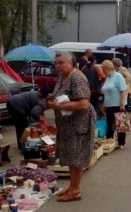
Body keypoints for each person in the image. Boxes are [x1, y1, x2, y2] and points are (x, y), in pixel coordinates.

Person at [46, 51, 96, 202]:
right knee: (70, 155)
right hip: (67, 124)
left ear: (71, 63)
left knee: (76, 156)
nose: (57, 66)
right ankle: (73, 186)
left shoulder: (78, 78)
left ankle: (75, 191)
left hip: (78, 123)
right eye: (56, 63)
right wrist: (49, 98)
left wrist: (58, 105)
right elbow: (58, 95)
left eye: (61, 63)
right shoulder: (62, 77)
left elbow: (83, 103)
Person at [100, 60, 128, 149]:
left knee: (120, 124)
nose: (103, 72)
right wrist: (104, 103)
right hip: (109, 105)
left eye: (104, 70)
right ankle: (110, 140)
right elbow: (106, 92)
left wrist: (122, 104)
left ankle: (121, 143)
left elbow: (123, 90)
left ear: (109, 69)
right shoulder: (108, 78)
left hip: (118, 104)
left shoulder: (118, 76)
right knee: (110, 123)